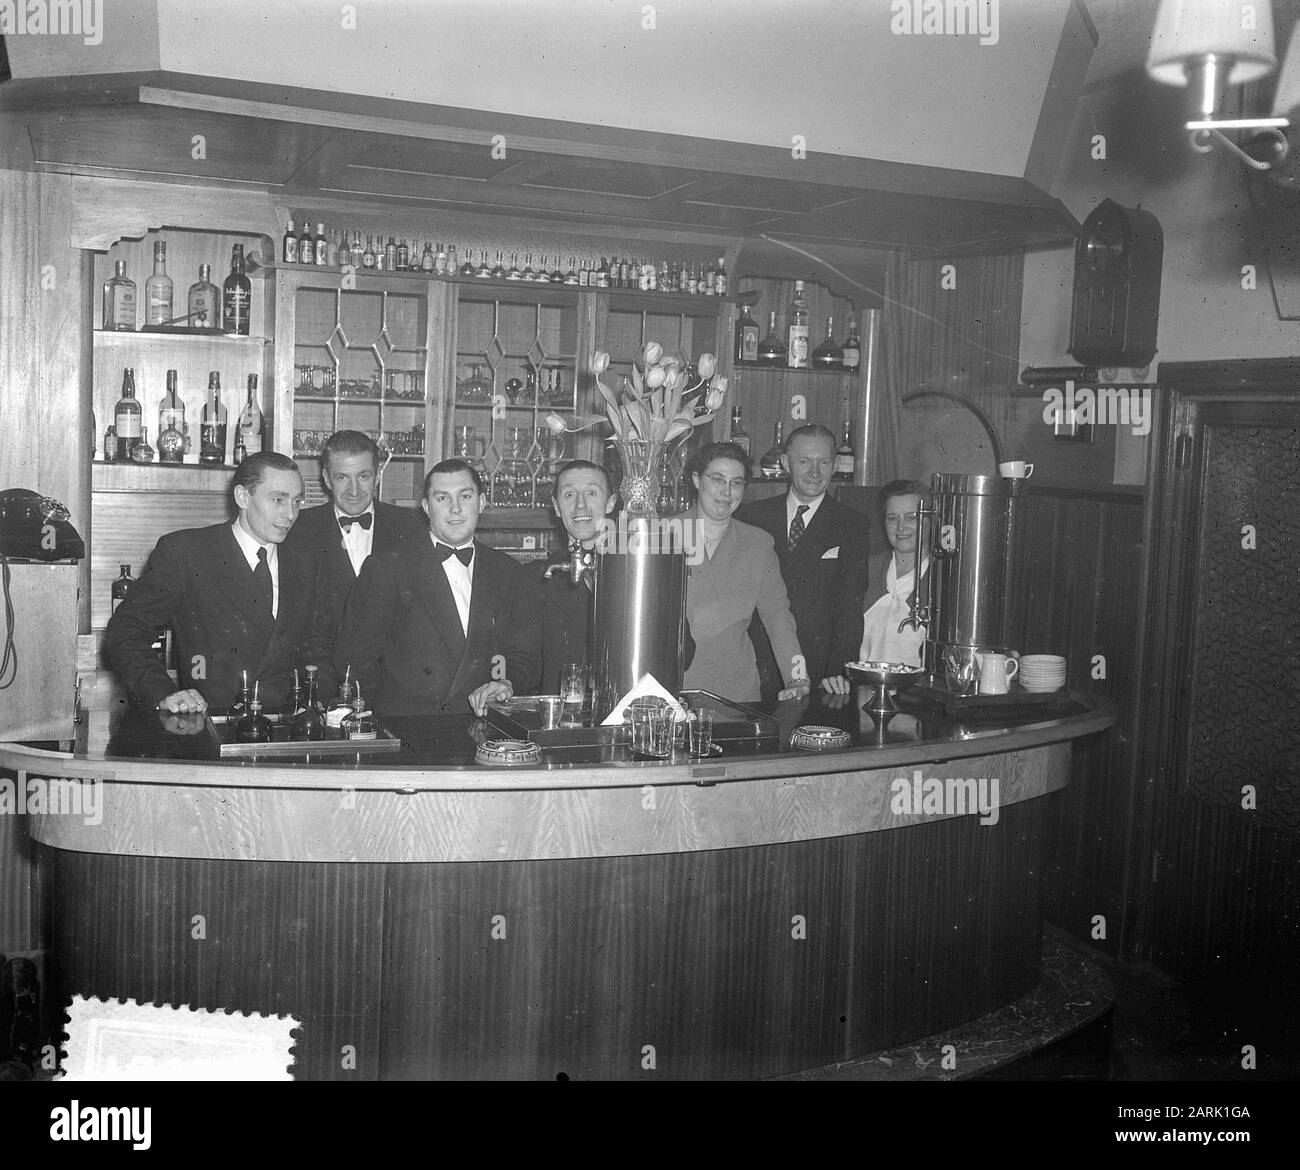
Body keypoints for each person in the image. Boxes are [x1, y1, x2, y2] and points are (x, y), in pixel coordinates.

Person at [105, 451, 326, 714]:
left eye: (297, 501)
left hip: (286, 728)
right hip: (212, 726)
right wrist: (164, 692)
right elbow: (126, 632)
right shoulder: (185, 552)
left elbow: (319, 643)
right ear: (243, 497)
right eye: (278, 499)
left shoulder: (306, 558)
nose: (290, 514)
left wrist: (319, 698)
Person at [333, 459, 540, 716]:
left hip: (486, 727)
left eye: (465, 496)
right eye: (442, 498)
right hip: (410, 732)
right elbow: (357, 661)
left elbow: (525, 655)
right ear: (426, 508)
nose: (455, 509)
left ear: (482, 502)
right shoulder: (387, 569)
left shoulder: (508, 571)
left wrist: (507, 682)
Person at [736, 423, 870, 691]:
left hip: (818, 671)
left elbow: (849, 609)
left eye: (823, 462)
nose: (814, 472)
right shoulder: (752, 517)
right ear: (786, 463)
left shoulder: (852, 524)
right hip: (755, 663)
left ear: (835, 465)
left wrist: (838, 671)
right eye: (804, 461)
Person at [682, 442, 809, 703]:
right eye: (717, 479)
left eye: (736, 482)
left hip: (736, 691)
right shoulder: (662, 534)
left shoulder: (759, 543)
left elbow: (778, 617)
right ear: (697, 480)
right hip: (674, 687)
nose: (726, 491)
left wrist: (797, 676)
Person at [283, 430, 424, 637]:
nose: (354, 490)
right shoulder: (297, 529)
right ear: (327, 479)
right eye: (342, 477)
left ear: (377, 476)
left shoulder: (413, 527)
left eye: (363, 476)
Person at [524, 460, 616, 695]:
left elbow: (683, 650)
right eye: (569, 494)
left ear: (611, 503)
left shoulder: (639, 572)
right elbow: (524, 663)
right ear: (556, 506)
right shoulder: (535, 578)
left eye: (592, 493)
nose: (580, 505)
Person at [839, 479, 929, 681]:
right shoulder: (867, 569)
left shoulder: (942, 579)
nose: (900, 527)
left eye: (911, 518)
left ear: (931, 520)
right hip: (863, 691)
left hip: (919, 697)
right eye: (892, 518)